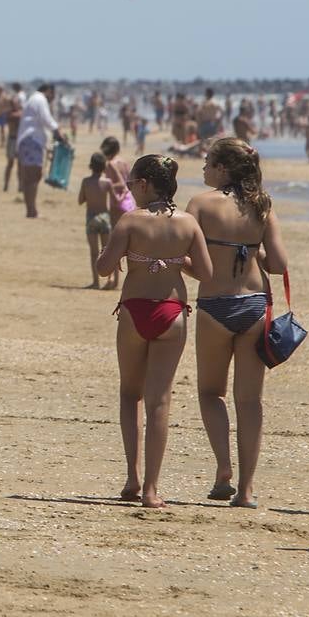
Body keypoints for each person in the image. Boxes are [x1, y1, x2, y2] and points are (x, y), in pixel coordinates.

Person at [95, 155, 212, 508]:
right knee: (160, 401)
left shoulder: (130, 221)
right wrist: (175, 260)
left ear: (145, 184)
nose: (130, 189)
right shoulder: (188, 224)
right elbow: (205, 273)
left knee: (131, 395)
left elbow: (103, 269)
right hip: (171, 312)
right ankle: (151, 489)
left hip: (135, 310)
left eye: (132, 184)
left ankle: (131, 476)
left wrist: (123, 254)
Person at [185, 138, 289, 508]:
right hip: (254, 306)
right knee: (250, 402)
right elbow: (277, 263)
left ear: (223, 169)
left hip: (215, 304)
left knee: (211, 393)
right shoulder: (263, 206)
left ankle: (223, 469)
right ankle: (245, 491)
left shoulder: (199, 204)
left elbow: (187, 258)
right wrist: (253, 249)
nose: (204, 169)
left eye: (209, 162)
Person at [17, 83, 67, 218]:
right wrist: (57, 130)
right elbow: (46, 118)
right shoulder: (40, 99)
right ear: (49, 91)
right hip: (32, 141)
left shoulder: (33, 99)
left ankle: (31, 209)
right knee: (33, 176)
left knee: (30, 177)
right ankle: (31, 210)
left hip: (27, 141)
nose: (52, 99)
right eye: (53, 96)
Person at [78, 152, 118, 290]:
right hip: (104, 217)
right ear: (103, 167)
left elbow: (80, 200)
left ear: (91, 166)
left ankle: (95, 282)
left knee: (94, 252)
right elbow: (115, 200)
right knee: (107, 251)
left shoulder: (86, 182)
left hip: (91, 217)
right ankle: (110, 278)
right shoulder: (107, 182)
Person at [100, 136, 134, 225]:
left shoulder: (110, 164)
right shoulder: (124, 162)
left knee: (115, 232)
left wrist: (106, 186)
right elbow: (130, 181)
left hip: (117, 201)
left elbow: (119, 184)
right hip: (129, 200)